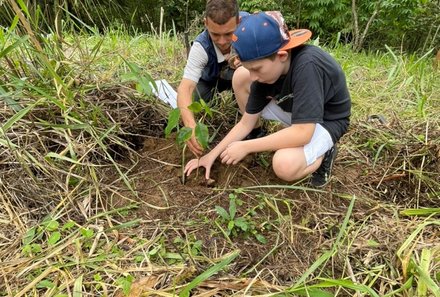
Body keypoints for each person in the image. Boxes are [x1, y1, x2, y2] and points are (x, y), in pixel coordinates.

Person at [184, 11, 351, 187]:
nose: (253, 76)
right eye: (250, 69)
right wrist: (211, 156)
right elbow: (245, 123)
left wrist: (247, 147)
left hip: (326, 120)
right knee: (240, 77)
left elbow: (303, 133)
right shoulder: (266, 73)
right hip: (297, 110)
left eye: (257, 69)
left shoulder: (307, 66)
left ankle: (326, 151)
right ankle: (262, 135)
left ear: (282, 56)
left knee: (284, 165)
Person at [177, 0, 252, 157]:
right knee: (193, 101)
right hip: (211, 79)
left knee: (245, 78)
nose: (223, 41)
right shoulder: (201, 46)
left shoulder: (251, 29)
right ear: (206, 24)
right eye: (215, 34)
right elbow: (186, 87)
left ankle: (253, 126)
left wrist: (247, 61)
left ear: (238, 22)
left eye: (228, 34)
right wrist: (190, 125)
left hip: (240, 76)